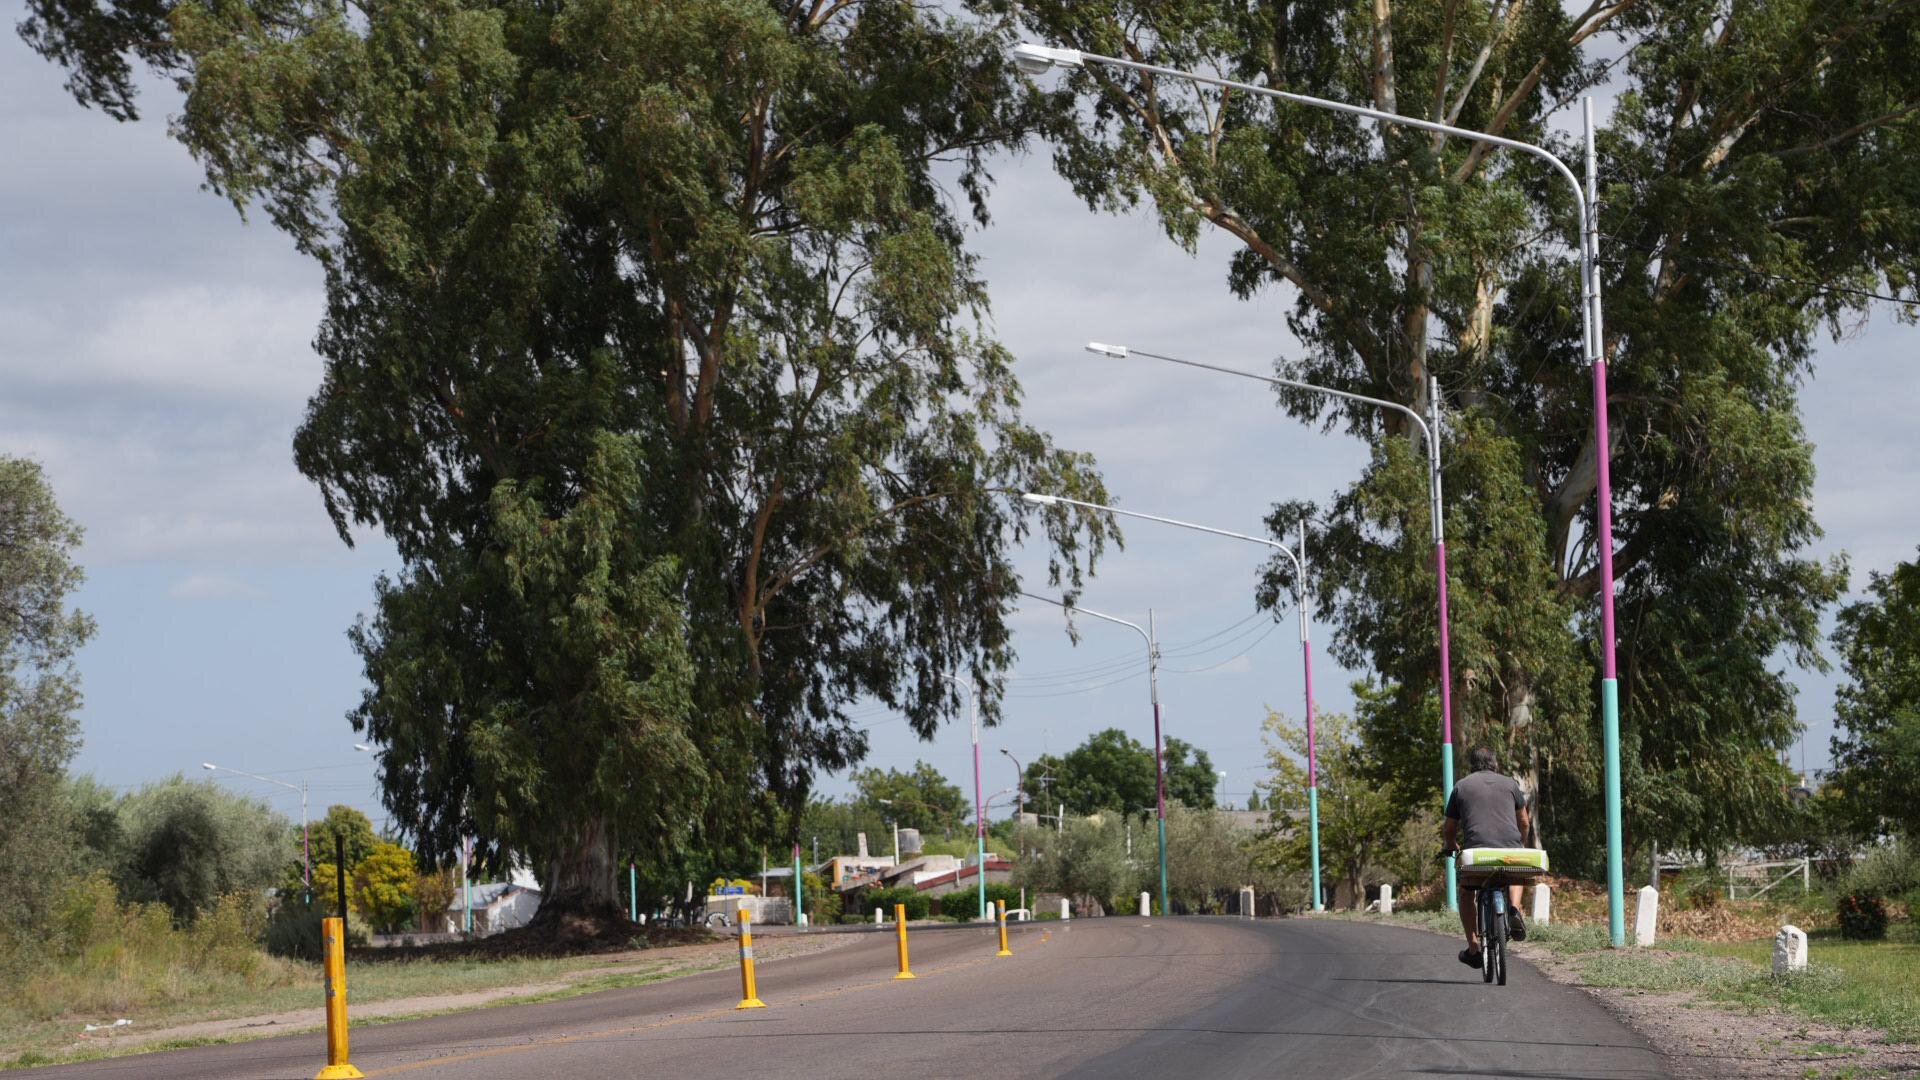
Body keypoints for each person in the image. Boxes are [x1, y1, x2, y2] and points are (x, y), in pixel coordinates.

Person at [1442, 746, 1532, 968]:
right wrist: (1519, 843)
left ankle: (1473, 947)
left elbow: (1449, 828)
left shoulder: (1461, 786)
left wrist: (1451, 845)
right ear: (1495, 763)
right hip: (1509, 849)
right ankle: (1514, 908)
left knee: (1465, 893)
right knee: (1516, 874)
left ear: (1472, 764)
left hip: (1477, 853)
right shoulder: (1510, 783)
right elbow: (1524, 822)